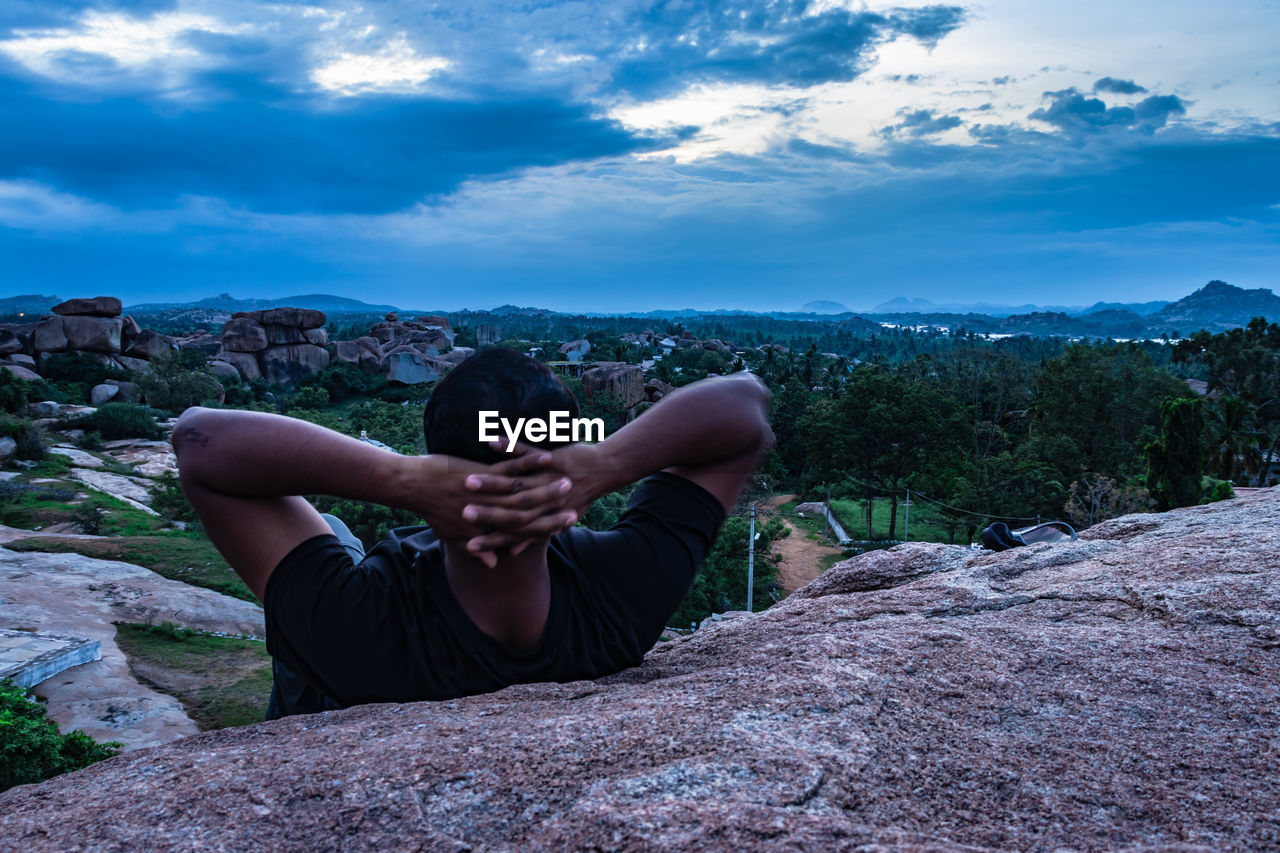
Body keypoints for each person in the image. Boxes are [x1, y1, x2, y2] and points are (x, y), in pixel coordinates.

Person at [172, 349, 771, 717]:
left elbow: (198, 440)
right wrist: (608, 463)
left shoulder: (352, 622)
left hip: (355, 639)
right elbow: (746, 406)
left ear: (439, 466)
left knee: (327, 531)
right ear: (566, 471)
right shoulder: (624, 589)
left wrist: (401, 479)